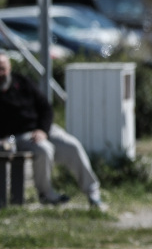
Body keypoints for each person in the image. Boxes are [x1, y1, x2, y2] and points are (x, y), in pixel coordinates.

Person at [0, 53, 105, 209]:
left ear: (9, 68)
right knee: (44, 150)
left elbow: (46, 108)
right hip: (19, 136)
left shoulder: (23, 82)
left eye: (2, 68)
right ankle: (46, 193)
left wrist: (43, 130)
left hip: (43, 129)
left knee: (72, 145)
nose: (0, 73)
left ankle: (92, 192)